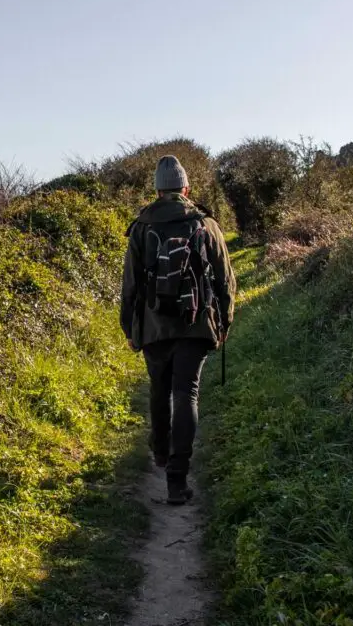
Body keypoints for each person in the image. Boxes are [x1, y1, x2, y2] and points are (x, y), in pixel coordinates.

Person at [120, 155, 236, 505]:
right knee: (186, 392)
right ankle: (177, 479)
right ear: (186, 187)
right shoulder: (204, 224)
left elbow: (131, 284)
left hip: (154, 324)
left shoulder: (141, 226)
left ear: (157, 190)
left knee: (160, 389)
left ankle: (159, 451)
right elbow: (225, 278)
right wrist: (225, 320)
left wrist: (129, 327)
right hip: (196, 322)